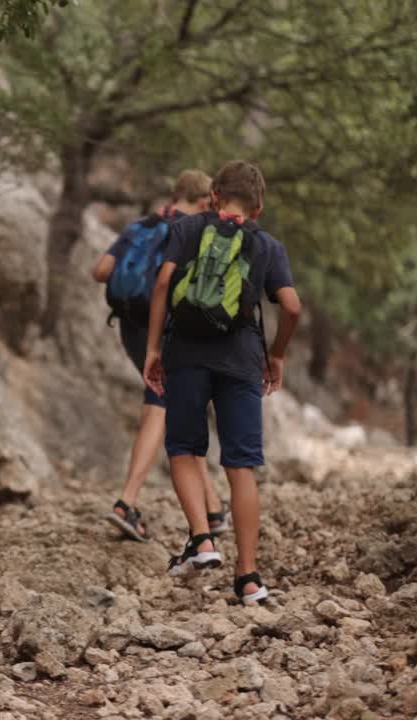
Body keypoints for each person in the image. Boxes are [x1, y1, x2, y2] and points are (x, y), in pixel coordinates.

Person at [143, 160, 302, 605]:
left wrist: (154, 350)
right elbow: (291, 307)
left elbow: (162, 284)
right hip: (242, 363)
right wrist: (277, 354)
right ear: (259, 208)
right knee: (240, 465)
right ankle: (248, 577)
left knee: (184, 449)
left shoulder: (189, 228)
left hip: (187, 355)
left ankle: (203, 539)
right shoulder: (267, 246)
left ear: (214, 196)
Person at [92, 170, 228, 542]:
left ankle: (213, 508)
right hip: (168, 329)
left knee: (180, 408)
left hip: (130, 327)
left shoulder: (140, 227)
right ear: (205, 202)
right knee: (161, 404)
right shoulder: (197, 230)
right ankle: (126, 502)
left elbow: (101, 270)